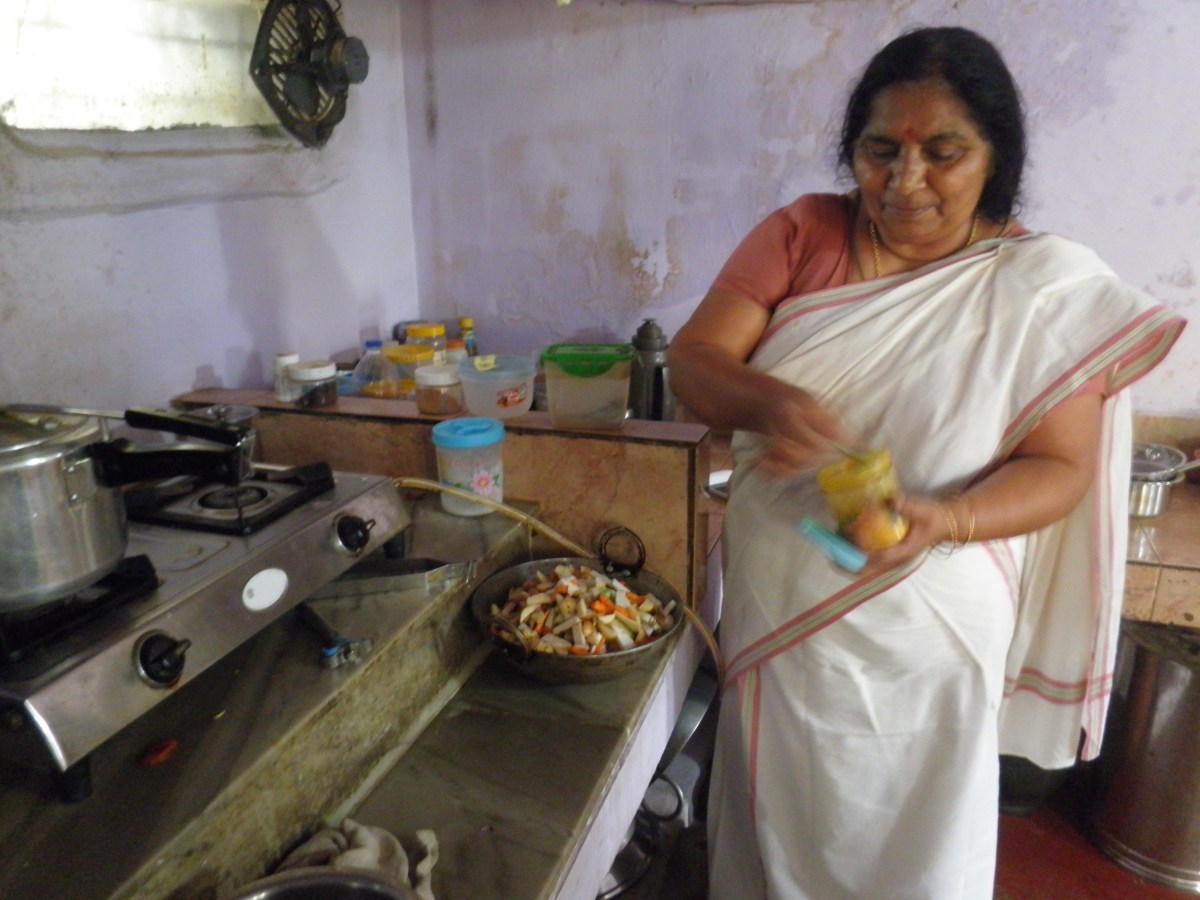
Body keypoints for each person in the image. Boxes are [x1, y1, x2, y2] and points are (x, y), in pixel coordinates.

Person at [668, 26, 1186, 899]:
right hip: (785, 592)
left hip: (936, 610)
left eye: (943, 154)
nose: (905, 182)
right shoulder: (804, 232)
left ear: (994, 158)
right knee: (778, 807)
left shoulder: (1042, 288)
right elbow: (694, 363)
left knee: (915, 835)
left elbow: (1060, 468)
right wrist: (771, 401)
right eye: (881, 151)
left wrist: (944, 519)